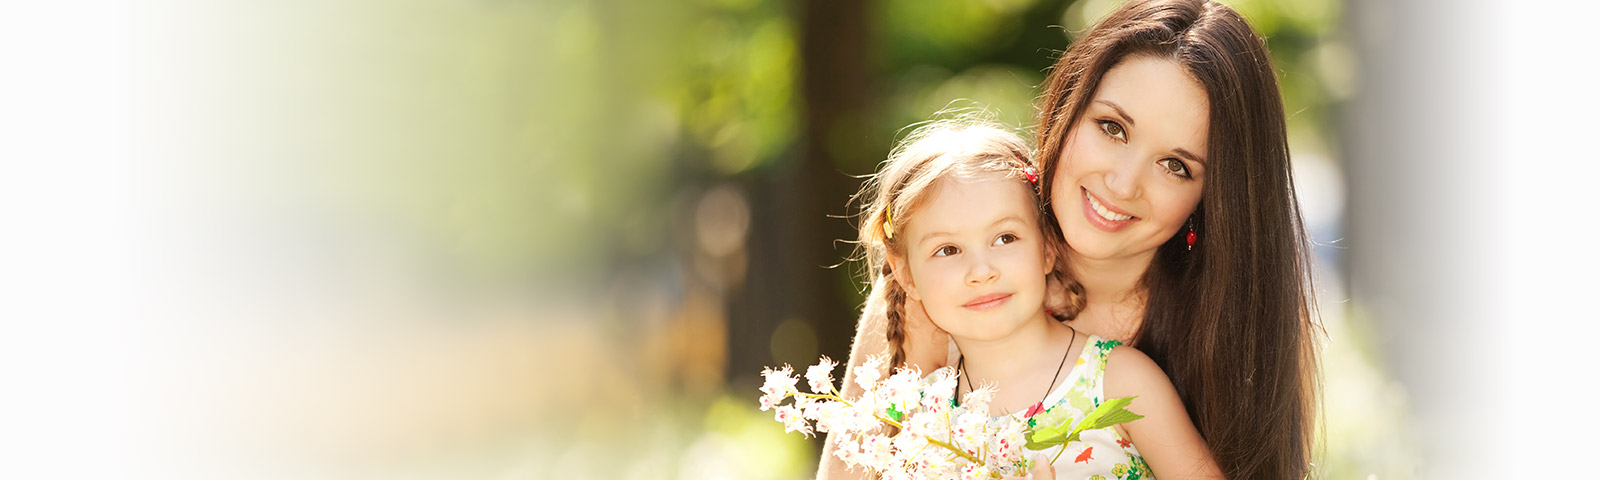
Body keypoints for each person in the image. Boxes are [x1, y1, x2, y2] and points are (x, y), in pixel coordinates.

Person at [820, 1, 1320, 478]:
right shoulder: (945, 293)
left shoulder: (1242, 328)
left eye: (1176, 166)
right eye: (1111, 128)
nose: (1123, 184)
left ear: (1211, 200)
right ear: (1067, 109)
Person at [832, 117, 1220, 478]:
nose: (981, 271)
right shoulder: (924, 422)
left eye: (1005, 238)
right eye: (948, 250)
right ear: (906, 276)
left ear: (1048, 248)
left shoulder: (1119, 380)